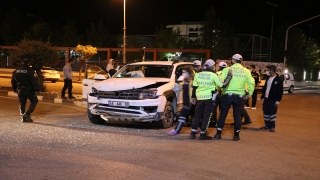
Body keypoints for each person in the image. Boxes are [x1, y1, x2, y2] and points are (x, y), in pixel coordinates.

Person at [213, 54, 255, 141]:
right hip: (239, 96)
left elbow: (220, 81)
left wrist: (220, 89)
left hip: (227, 95)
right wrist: (249, 93)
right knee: (237, 116)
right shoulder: (246, 71)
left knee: (223, 114)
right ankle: (236, 135)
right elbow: (252, 82)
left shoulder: (227, 69)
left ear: (233, 60)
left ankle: (218, 134)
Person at [189, 59, 232, 140]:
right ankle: (203, 134)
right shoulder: (213, 75)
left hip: (199, 98)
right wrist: (229, 77)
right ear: (212, 66)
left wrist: (192, 98)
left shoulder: (198, 75)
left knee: (197, 115)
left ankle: (193, 133)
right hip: (209, 98)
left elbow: (194, 87)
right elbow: (222, 85)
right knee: (207, 116)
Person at [167, 66, 195, 135]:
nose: (183, 74)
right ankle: (197, 130)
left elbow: (193, 92)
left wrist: (192, 100)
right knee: (195, 116)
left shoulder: (192, 82)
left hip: (189, 102)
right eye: (182, 72)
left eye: (184, 72)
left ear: (189, 73)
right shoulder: (185, 81)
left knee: (182, 116)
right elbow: (178, 87)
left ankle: (176, 131)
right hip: (187, 102)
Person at [11, 59, 39, 123]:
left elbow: (13, 82)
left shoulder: (16, 71)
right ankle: (27, 114)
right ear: (29, 63)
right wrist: (36, 89)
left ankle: (23, 118)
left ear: (22, 63)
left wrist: (14, 89)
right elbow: (34, 81)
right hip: (29, 89)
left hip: (20, 89)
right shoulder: (31, 71)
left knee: (22, 103)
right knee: (34, 101)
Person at [258, 65, 283, 132]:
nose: (266, 71)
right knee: (266, 112)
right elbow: (265, 88)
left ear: (272, 71)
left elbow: (280, 91)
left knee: (272, 113)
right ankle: (267, 125)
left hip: (273, 99)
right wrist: (261, 97)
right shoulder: (268, 78)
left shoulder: (278, 79)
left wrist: (278, 101)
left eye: (267, 70)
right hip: (266, 98)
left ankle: (272, 126)